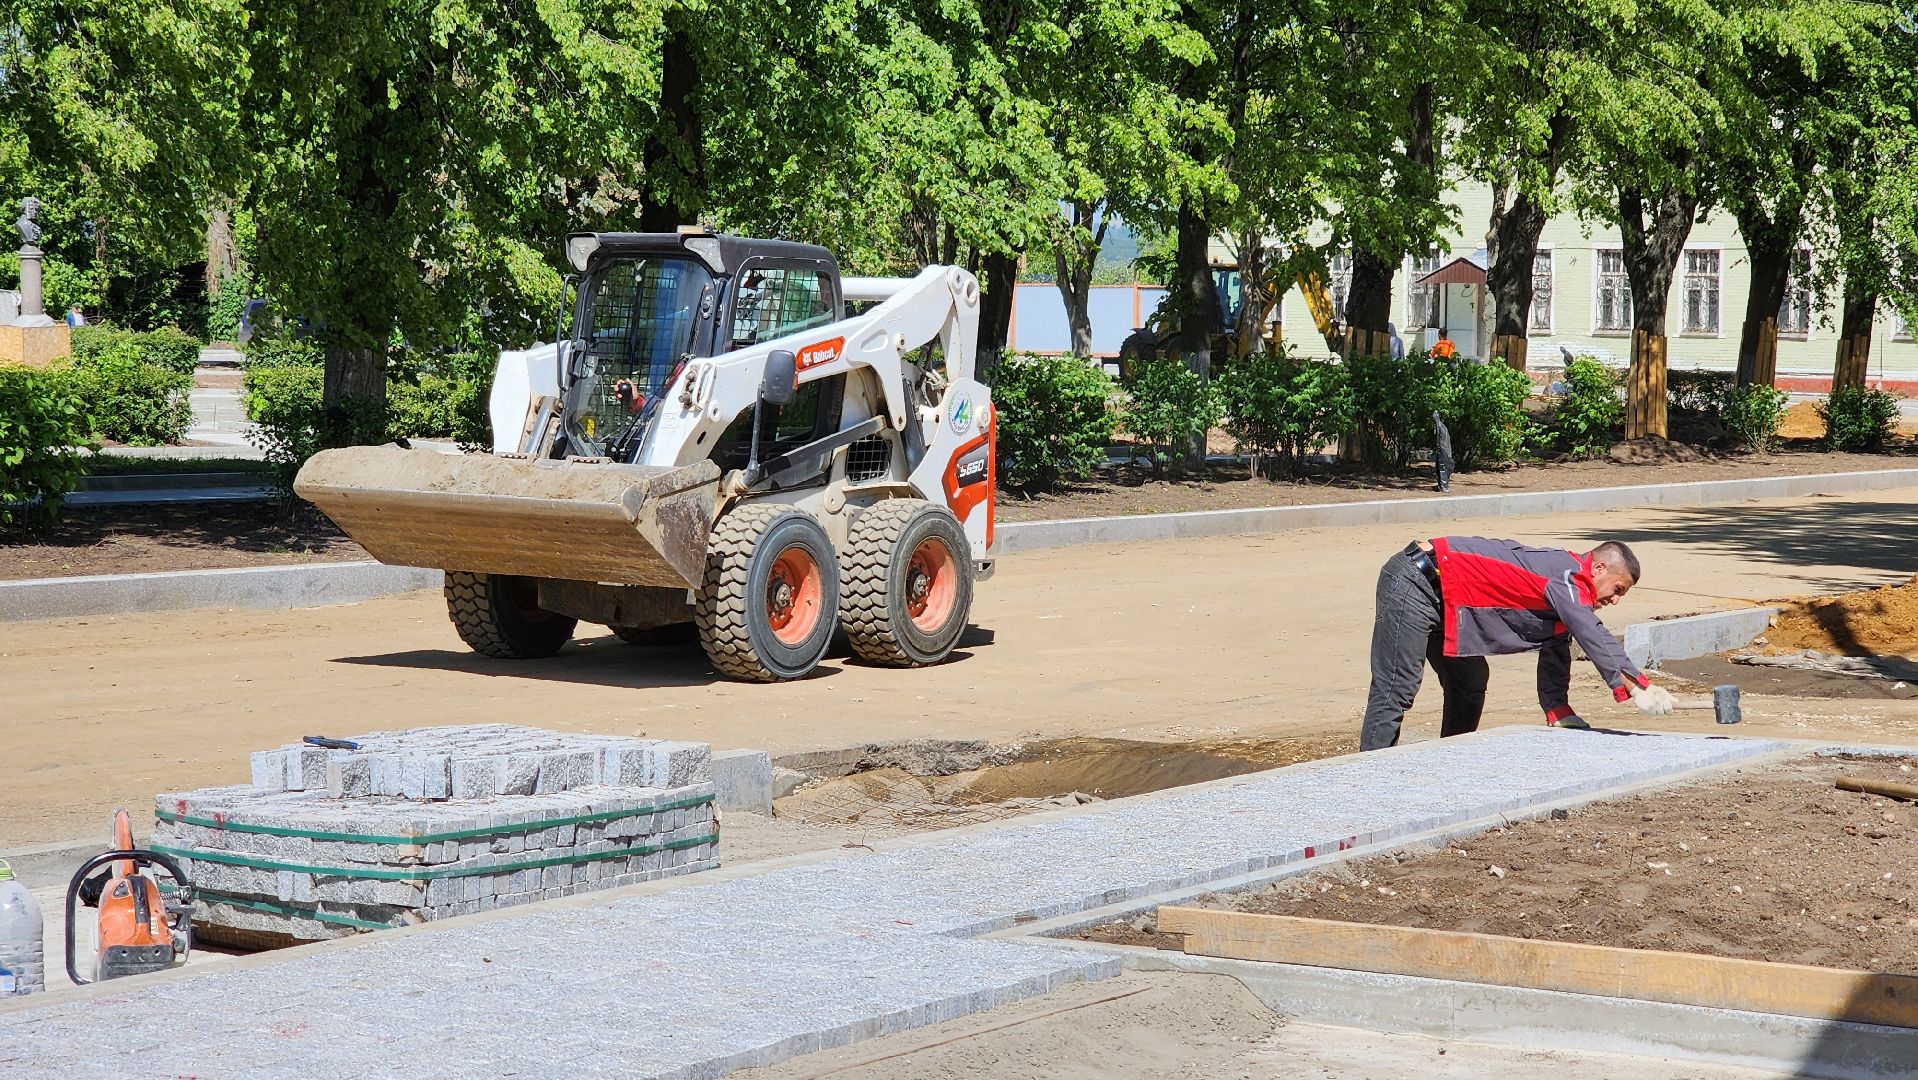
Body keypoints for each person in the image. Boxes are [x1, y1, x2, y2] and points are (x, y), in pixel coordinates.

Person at [1358, 536, 1675, 751]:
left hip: (1448, 599)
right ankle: (1368, 778)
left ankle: (1450, 761)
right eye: (1617, 589)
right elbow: (1593, 634)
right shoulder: (1568, 577)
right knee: (1396, 687)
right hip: (1416, 583)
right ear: (1599, 568)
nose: (1615, 600)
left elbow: (1557, 648)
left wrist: (1558, 709)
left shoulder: (1569, 595)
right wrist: (1637, 687)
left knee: (1469, 680)